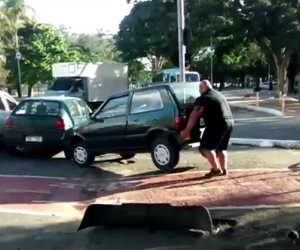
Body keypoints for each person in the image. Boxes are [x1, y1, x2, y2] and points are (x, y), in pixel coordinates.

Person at [180, 80, 234, 178]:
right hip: (229, 123)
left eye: (200, 88)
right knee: (222, 148)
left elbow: (194, 115)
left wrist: (187, 130)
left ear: (204, 87)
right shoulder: (218, 94)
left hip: (217, 124)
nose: (199, 90)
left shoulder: (204, 98)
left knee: (205, 147)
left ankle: (216, 170)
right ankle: (224, 170)